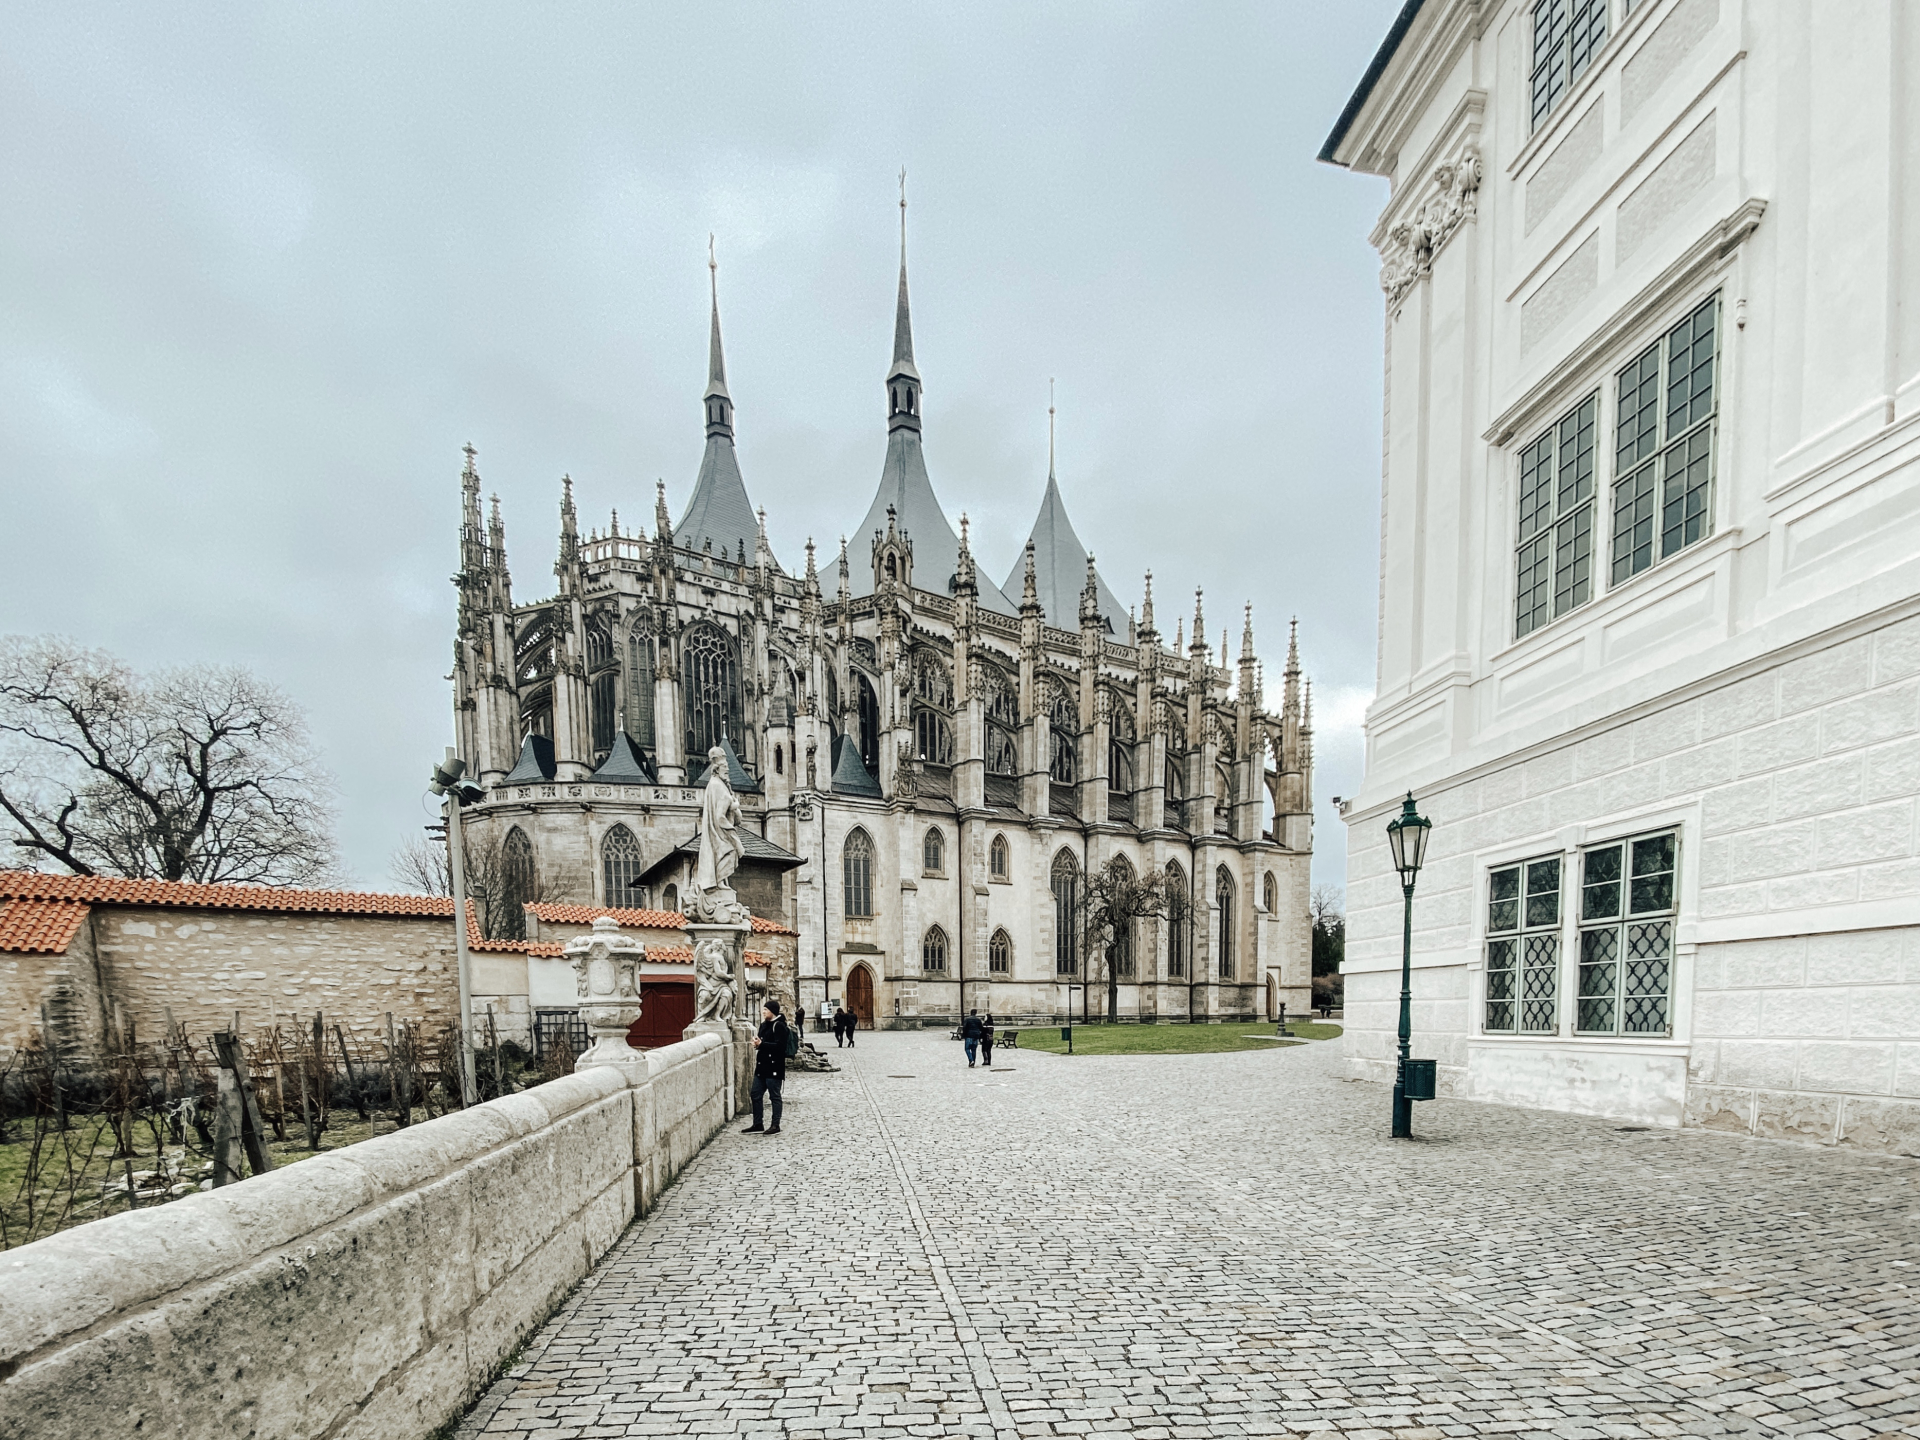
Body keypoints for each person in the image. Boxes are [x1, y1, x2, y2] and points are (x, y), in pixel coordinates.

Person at [743, 999, 788, 1135]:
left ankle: (775, 1124)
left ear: (773, 1011)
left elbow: (781, 1047)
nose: (763, 1012)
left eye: (766, 1010)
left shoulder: (779, 1026)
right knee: (755, 1094)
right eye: (763, 1009)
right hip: (762, 1067)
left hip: (774, 1067)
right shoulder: (763, 1025)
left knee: (774, 1096)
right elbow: (762, 1042)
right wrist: (757, 1044)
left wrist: (762, 1045)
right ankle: (758, 1123)